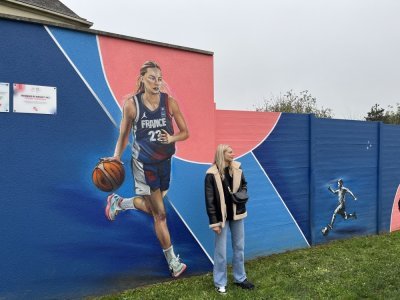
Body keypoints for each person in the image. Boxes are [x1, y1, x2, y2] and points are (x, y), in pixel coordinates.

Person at [104, 61, 189, 277]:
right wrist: (116, 156)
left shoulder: (170, 103)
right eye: (152, 77)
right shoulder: (132, 105)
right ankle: (173, 262)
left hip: (164, 162)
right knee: (160, 214)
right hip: (144, 164)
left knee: (153, 209)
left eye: (160, 78)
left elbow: (185, 132)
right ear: (142, 78)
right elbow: (123, 135)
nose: (156, 82)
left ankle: (120, 203)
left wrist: (172, 137)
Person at [204, 144, 255, 294]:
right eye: (230, 152)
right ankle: (220, 282)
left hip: (237, 213)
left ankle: (240, 278)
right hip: (221, 217)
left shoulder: (237, 168)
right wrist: (214, 222)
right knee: (221, 251)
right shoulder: (211, 174)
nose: (233, 154)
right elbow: (210, 200)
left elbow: (244, 184)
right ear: (222, 153)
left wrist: (241, 194)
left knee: (239, 248)